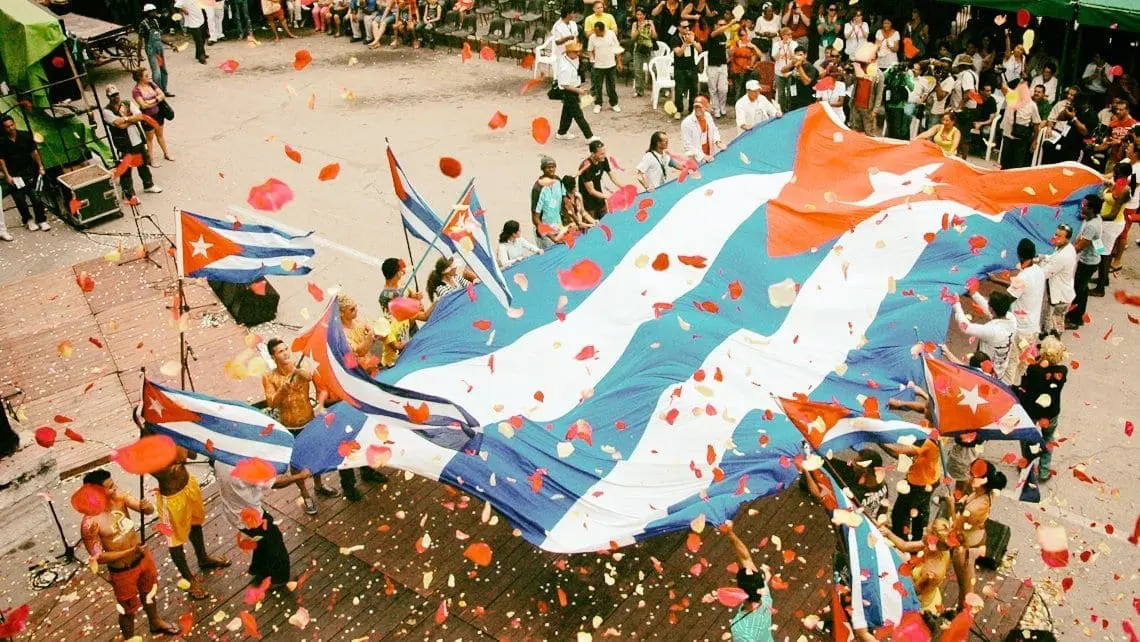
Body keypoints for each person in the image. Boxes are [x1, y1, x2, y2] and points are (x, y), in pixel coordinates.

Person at [78, 469, 182, 638]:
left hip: (142, 558)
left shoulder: (119, 497)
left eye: (114, 485)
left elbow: (147, 510)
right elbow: (99, 557)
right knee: (127, 610)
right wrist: (130, 551)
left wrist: (146, 506)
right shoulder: (90, 523)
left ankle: (155, 622)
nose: (115, 489)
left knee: (149, 593)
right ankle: (129, 638)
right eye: (110, 487)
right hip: (122, 571)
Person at [262, 337, 339, 512]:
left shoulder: (300, 366)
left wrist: (295, 371)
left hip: (309, 420)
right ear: (273, 357)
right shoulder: (269, 377)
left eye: (286, 348)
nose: (285, 353)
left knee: (315, 455)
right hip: (290, 426)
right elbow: (271, 403)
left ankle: (319, 485)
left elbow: (309, 376)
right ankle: (305, 494)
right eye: (280, 351)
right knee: (296, 463)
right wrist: (282, 390)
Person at [147, 441, 230, 599]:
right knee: (175, 541)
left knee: (196, 524)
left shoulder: (174, 434)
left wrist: (186, 442)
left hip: (189, 486)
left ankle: (203, 558)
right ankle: (189, 579)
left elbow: (192, 454)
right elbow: (162, 473)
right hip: (171, 499)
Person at [213, 459, 311, 587]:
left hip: (233, 510)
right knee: (274, 539)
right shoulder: (246, 469)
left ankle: (259, 569)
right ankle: (279, 579)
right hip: (250, 516)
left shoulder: (220, 460)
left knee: (261, 539)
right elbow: (275, 483)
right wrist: (300, 476)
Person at [949, 459, 1006, 611]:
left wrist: (950, 505)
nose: (968, 477)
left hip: (966, 549)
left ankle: (963, 615)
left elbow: (956, 525)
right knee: (965, 584)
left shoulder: (975, 508)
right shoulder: (987, 493)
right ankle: (961, 610)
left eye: (972, 475)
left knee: (965, 586)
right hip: (975, 539)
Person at [883, 409, 943, 542]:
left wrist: (877, 439)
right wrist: (899, 404)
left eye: (928, 407)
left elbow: (896, 452)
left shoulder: (926, 440)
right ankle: (918, 536)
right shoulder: (943, 429)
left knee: (900, 514)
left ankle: (900, 539)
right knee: (920, 508)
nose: (924, 409)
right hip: (931, 478)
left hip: (918, 484)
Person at [1016, 334, 1067, 482]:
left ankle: (1027, 463)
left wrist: (1038, 364)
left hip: (1031, 409)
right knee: (1048, 439)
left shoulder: (1033, 370)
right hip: (1050, 412)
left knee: (1026, 437)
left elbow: (1024, 384)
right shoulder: (1062, 371)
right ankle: (1044, 470)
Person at [878, 518, 952, 618]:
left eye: (927, 531)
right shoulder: (936, 547)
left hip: (918, 600)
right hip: (913, 579)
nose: (924, 529)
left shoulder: (932, 573)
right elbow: (905, 546)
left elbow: (911, 594)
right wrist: (888, 533)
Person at [101, 87, 162, 201]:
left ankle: (148, 185)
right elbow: (119, 125)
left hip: (137, 139)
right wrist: (131, 119)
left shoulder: (127, 103)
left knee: (143, 164)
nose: (116, 97)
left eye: (116, 94)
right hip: (123, 143)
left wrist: (126, 119)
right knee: (126, 170)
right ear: (109, 97)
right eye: (112, 95)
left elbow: (139, 116)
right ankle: (129, 194)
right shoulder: (107, 111)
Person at [1004, 238, 1047, 384]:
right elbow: (1020, 286)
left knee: (1012, 363)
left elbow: (1008, 297)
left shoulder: (1023, 277)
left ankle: (1008, 392)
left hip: (1020, 330)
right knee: (1024, 363)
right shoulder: (1039, 271)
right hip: (1032, 327)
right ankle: (1021, 387)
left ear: (1019, 255)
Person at [723, 520, 774, 641]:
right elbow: (746, 559)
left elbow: (747, 559)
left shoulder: (741, 630)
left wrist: (730, 533)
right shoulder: (765, 596)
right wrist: (730, 533)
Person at [952, 289, 1017, 383]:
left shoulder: (991, 331)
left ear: (992, 308)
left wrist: (956, 304)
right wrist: (974, 294)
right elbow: (992, 311)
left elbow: (965, 327)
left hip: (985, 372)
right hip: (1000, 367)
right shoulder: (1012, 319)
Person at [0, 115, 49, 232]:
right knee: (20, 200)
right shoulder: (2, 142)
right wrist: (7, 176)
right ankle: (28, 220)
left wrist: (40, 166)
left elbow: (34, 152)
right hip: (14, 174)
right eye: (7, 127)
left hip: (29, 171)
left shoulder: (25, 135)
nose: (11, 128)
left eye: (12, 125)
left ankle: (41, 219)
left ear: (15, 124)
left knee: (36, 198)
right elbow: (1, 160)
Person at [1092, 161, 1134, 297]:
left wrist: (1097, 218)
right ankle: (1102, 278)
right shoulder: (1119, 184)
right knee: (1101, 251)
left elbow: (1113, 214)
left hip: (1110, 225)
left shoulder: (1123, 190)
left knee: (1104, 254)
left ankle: (1100, 288)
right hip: (1107, 224)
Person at [1065, 194, 1104, 330]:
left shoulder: (1092, 226)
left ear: (1092, 209)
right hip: (1093, 260)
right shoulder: (1096, 219)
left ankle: (1075, 319)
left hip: (1088, 263)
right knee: (1083, 288)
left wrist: (1062, 253)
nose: (1082, 206)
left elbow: (1080, 246)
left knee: (1078, 290)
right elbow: (1099, 245)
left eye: (1085, 205)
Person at [1038, 224, 1076, 335]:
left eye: (1059, 236)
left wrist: (1033, 266)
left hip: (1059, 298)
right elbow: (1053, 258)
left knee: (1052, 328)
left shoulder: (1063, 256)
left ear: (1067, 239)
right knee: (1054, 323)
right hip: (1061, 293)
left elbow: (1044, 273)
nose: (1056, 237)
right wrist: (1045, 257)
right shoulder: (1066, 247)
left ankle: (1052, 347)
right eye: (1055, 234)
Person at [554, 41, 594, 141]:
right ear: (569, 52)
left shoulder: (573, 58)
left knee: (567, 113)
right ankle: (589, 136)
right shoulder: (565, 67)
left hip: (574, 87)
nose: (578, 54)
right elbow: (565, 85)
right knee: (578, 115)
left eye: (578, 51)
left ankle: (562, 132)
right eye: (576, 52)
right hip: (569, 92)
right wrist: (578, 90)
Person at [131, 68, 172, 165]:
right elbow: (143, 105)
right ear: (140, 78)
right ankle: (151, 160)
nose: (148, 77)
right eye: (145, 76)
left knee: (160, 135)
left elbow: (162, 94)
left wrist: (152, 101)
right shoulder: (136, 90)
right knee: (150, 139)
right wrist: (157, 99)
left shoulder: (151, 84)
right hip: (148, 117)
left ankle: (166, 154)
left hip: (158, 113)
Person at [578, 139, 620, 220]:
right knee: (593, 226)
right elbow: (591, 191)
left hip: (599, 197)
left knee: (606, 221)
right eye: (601, 154)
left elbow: (610, 173)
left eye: (604, 153)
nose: (604, 156)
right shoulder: (585, 167)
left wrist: (622, 186)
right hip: (588, 202)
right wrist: (608, 196)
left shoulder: (603, 160)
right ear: (593, 153)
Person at [532, 156, 568, 248]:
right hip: (546, 235)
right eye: (548, 167)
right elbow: (535, 219)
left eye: (553, 167)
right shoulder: (538, 189)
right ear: (543, 169)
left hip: (558, 227)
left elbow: (565, 201)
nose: (551, 169)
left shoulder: (558, 181)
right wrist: (552, 237)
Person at [587, 22, 622, 114]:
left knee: (611, 86)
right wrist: (592, 59)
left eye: (598, 32)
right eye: (595, 31)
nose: (596, 33)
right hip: (598, 66)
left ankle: (614, 103)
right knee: (598, 86)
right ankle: (598, 104)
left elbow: (617, 48)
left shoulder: (611, 34)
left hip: (611, 65)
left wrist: (619, 62)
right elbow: (590, 50)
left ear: (603, 30)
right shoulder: (592, 37)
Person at [672, 20, 702, 119]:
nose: (687, 29)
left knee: (694, 90)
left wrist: (692, 41)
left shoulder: (692, 36)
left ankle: (691, 110)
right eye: (684, 27)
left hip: (692, 67)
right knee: (679, 90)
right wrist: (685, 43)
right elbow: (679, 53)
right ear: (679, 28)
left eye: (688, 26)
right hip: (680, 68)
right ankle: (679, 110)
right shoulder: (675, 38)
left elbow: (700, 49)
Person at [138, 5, 171, 95]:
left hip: (159, 47)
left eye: (154, 11)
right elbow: (140, 39)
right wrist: (138, 54)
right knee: (156, 72)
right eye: (152, 11)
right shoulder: (143, 24)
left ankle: (164, 90)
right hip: (150, 48)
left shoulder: (156, 21)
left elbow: (159, 36)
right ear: (147, 13)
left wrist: (170, 44)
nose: (154, 13)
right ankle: (158, 92)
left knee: (163, 70)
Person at [681, 96, 723, 163]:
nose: (697, 109)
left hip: (709, 155)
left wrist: (718, 141)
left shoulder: (708, 116)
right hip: (696, 160)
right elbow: (688, 146)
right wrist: (703, 156)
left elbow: (714, 130)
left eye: (700, 107)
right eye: (696, 107)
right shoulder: (686, 123)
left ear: (706, 107)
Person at [849, 55, 884, 135]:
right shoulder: (859, 70)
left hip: (869, 108)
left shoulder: (879, 75)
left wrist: (875, 110)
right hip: (856, 106)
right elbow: (849, 82)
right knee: (855, 132)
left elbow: (879, 94)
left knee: (869, 134)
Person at [704, 17, 732, 119]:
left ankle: (722, 107)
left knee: (723, 89)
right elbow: (715, 33)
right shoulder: (712, 35)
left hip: (723, 65)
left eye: (724, 24)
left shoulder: (724, 36)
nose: (723, 27)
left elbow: (725, 49)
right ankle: (716, 109)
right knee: (713, 89)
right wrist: (729, 25)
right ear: (715, 26)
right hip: (712, 66)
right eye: (720, 25)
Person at [629, 8, 657, 98]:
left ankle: (660, 90)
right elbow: (632, 38)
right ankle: (639, 91)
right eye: (638, 14)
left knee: (654, 69)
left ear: (644, 15)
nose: (639, 16)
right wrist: (640, 28)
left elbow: (655, 36)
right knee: (638, 71)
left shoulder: (650, 22)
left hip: (649, 49)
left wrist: (651, 26)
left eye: (641, 14)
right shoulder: (635, 24)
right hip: (639, 50)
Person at [771, 26, 797, 113]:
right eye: (788, 34)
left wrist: (789, 46)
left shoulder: (794, 44)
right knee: (781, 94)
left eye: (791, 34)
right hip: (779, 72)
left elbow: (794, 58)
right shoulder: (776, 44)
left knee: (790, 92)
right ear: (783, 36)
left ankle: (790, 111)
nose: (790, 36)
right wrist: (780, 47)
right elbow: (775, 58)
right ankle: (781, 111)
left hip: (790, 72)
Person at [550, 6, 580, 77]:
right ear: (567, 14)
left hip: (573, 52)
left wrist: (577, 48)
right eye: (572, 13)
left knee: (573, 73)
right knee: (564, 75)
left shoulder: (573, 23)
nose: (574, 15)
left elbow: (576, 36)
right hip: (562, 54)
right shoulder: (557, 26)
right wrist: (567, 38)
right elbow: (557, 42)